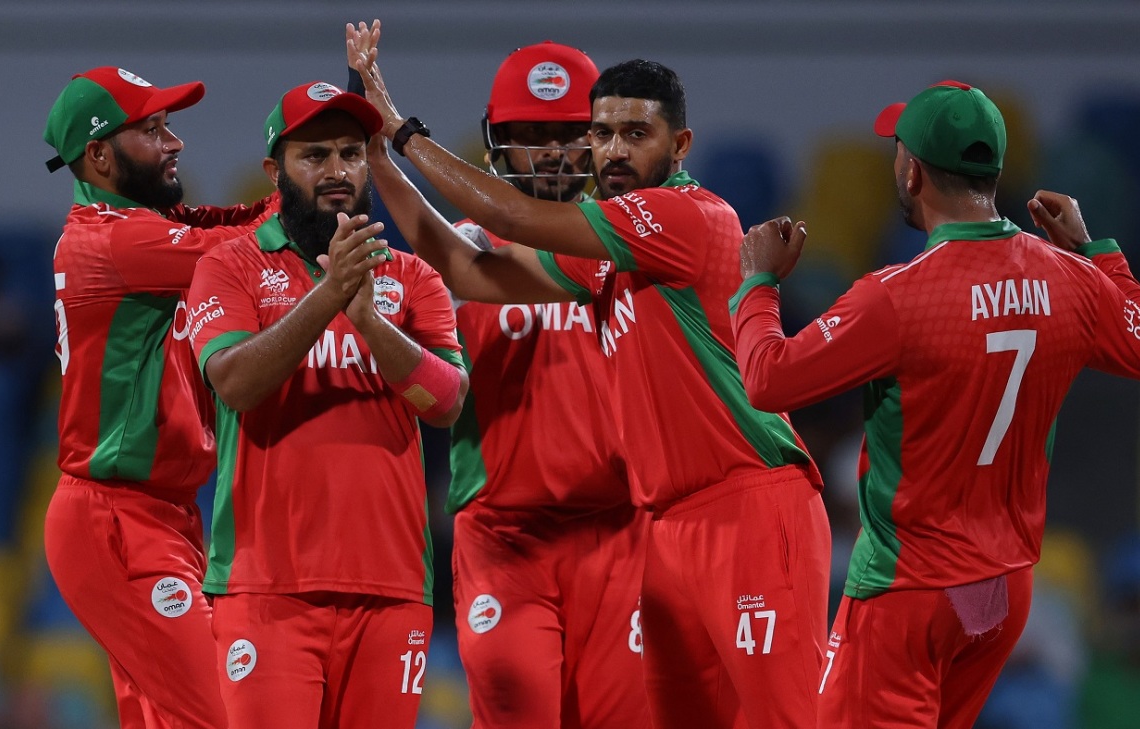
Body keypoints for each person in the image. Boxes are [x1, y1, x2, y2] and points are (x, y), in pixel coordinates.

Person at [348, 21, 830, 729]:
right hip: (654, 524)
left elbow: (507, 213)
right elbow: (467, 267)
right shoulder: (607, 250)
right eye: (602, 134)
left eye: (635, 134)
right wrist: (380, 160)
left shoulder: (679, 216)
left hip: (738, 504)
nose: (612, 151)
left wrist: (401, 132)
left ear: (681, 145)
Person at [728, 80, 1140, 728]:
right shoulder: (1072, 279)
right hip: (1003, 589)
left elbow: (767, 380)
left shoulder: (896, 296)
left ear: (912, 172)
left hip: (909, 592)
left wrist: (758, 284)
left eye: (898, 149)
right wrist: (1097, 255)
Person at [186, 80, 467, 729]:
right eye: (315, 155)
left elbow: (447, 401)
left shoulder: (414, 279)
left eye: (350, 153)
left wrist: (369, 321)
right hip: (266, 589)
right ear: (274, 171)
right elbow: (234, 383)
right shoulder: (229, 267)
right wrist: (331, 294)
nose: (337, 170)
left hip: (392, 589)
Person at [42, 66, 278, 729]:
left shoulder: (137, 227)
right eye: (151, 130)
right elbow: (251, 244)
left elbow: (235, 218)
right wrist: (318, 180)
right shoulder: (116, 240)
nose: (175, 143)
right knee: (232, 714)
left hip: (161, 516)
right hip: (117, 521)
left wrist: (309, 177)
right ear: (99, 155)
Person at [444, 42, 649, 728]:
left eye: (570, 135)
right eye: (533, 135)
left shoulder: (636, 243)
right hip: (504, 540)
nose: (555, 153)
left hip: (620, 534)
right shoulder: (459, 253)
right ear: (497, 141)